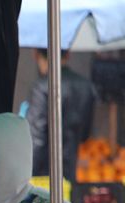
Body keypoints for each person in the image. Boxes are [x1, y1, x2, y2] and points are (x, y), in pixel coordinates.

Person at [25, 49, 96, 182]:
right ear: (68, 54)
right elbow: (85, 134)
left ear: (35, 54)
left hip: (43, 176)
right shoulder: (86, 86)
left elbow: (36, 139)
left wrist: (26, 175)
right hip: (69, 172)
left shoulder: (41, 87)